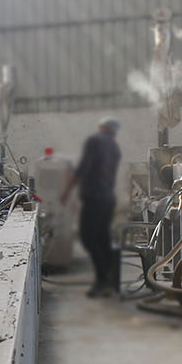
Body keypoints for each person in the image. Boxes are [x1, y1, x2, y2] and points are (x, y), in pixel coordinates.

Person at [61, 118, 123, 297]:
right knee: (103, 239)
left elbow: (83, 169)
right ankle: (111, 281)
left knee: (88, 237)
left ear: (102, 127)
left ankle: (102, 280)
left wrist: (67, 191)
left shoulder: (94, 141)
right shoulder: (115, 148)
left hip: (94, 199)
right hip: (108, 199)